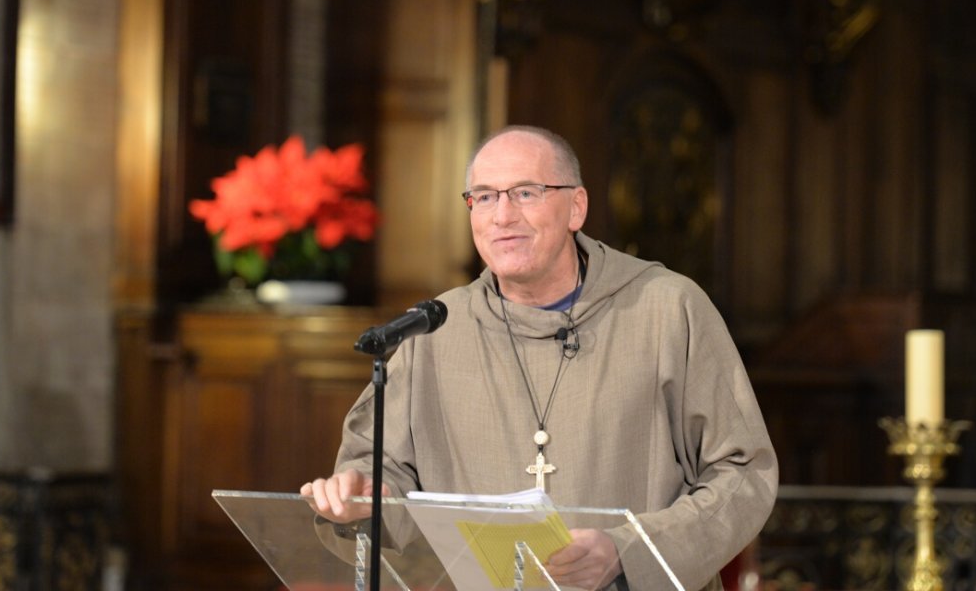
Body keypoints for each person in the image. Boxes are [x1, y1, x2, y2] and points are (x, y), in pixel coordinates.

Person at [301, 125, 779, 590]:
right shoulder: (436, 328)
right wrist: (365, 496)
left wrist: (628, 552)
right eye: (484, 196)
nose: (502, 216)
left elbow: (742, 472)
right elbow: (378, 473)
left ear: (577, 207)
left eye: (526, 193)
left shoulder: (667, 308)